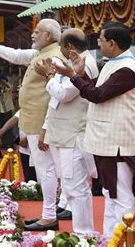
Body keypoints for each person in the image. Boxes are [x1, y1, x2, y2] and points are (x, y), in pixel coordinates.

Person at [0, 18, 65, 231]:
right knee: (47, 169)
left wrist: (45, 127)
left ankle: (50, 215)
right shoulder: (40, 55)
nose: (32, 35)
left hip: (40, 122)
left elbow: (56, 98)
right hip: (33, 120)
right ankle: (50, 212)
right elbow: (15, 55)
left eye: (37, 32)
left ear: (48, 36)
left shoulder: (54, 58)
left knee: (47, 170)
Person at [52, 22, 135, 237]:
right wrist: (77, 74)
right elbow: (97, 89)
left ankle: (123, 239)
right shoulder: (115, 63)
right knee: (111, 194)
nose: (98, 43)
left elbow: (98, 95)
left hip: (117, 142)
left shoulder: (128, 69)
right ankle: (111, 238)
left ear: (112, 43)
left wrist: (73, 76)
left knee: (120, 195)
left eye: (100, 39)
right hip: (107, 141)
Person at [34, 28, 98, 235]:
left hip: (73, 135)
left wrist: (50, 76)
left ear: (69, 46)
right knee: (72, 188)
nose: (59, 50)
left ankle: (83, 235)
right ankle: (83, 234)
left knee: (76, 189)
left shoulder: (85, 65)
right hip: (62, 133)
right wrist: (46, 128)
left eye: (60, 45)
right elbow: (55, 102)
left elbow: (63, 94)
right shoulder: (73, 63)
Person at [0, 110, 37, 182]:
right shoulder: (25, 105)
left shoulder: (38, 106)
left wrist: (28, 138)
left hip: (35, 149)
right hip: (24, 150)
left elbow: (40, 125)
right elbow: (15, 118)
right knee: (28, 177)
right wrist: (2, 131)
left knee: (36, 177)